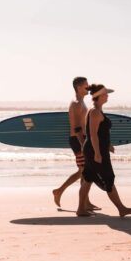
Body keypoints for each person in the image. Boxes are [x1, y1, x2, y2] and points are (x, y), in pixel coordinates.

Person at [76, 84, 131, 217]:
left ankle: (81, 209)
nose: (107, 96)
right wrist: (98, 153)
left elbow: (100, 133)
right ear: (99, 96)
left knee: (88, 178)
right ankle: (121, 208)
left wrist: (108, 144)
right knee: (108, 177)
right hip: (95, 150)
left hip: (95, 149)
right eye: (105, 94)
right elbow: (92, 134)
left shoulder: (97, 111)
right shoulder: (95, 112)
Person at [52, 77, 99, 210]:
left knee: (85, 171)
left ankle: (86, 202)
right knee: (84, 171)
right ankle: (59, 191)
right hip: (78, 140)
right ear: (78, 88)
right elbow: (76, 127)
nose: (88, 87)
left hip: (81, 139)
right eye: (86, 85)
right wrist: (84, 145)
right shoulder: (77, 103)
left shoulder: (81, 102)